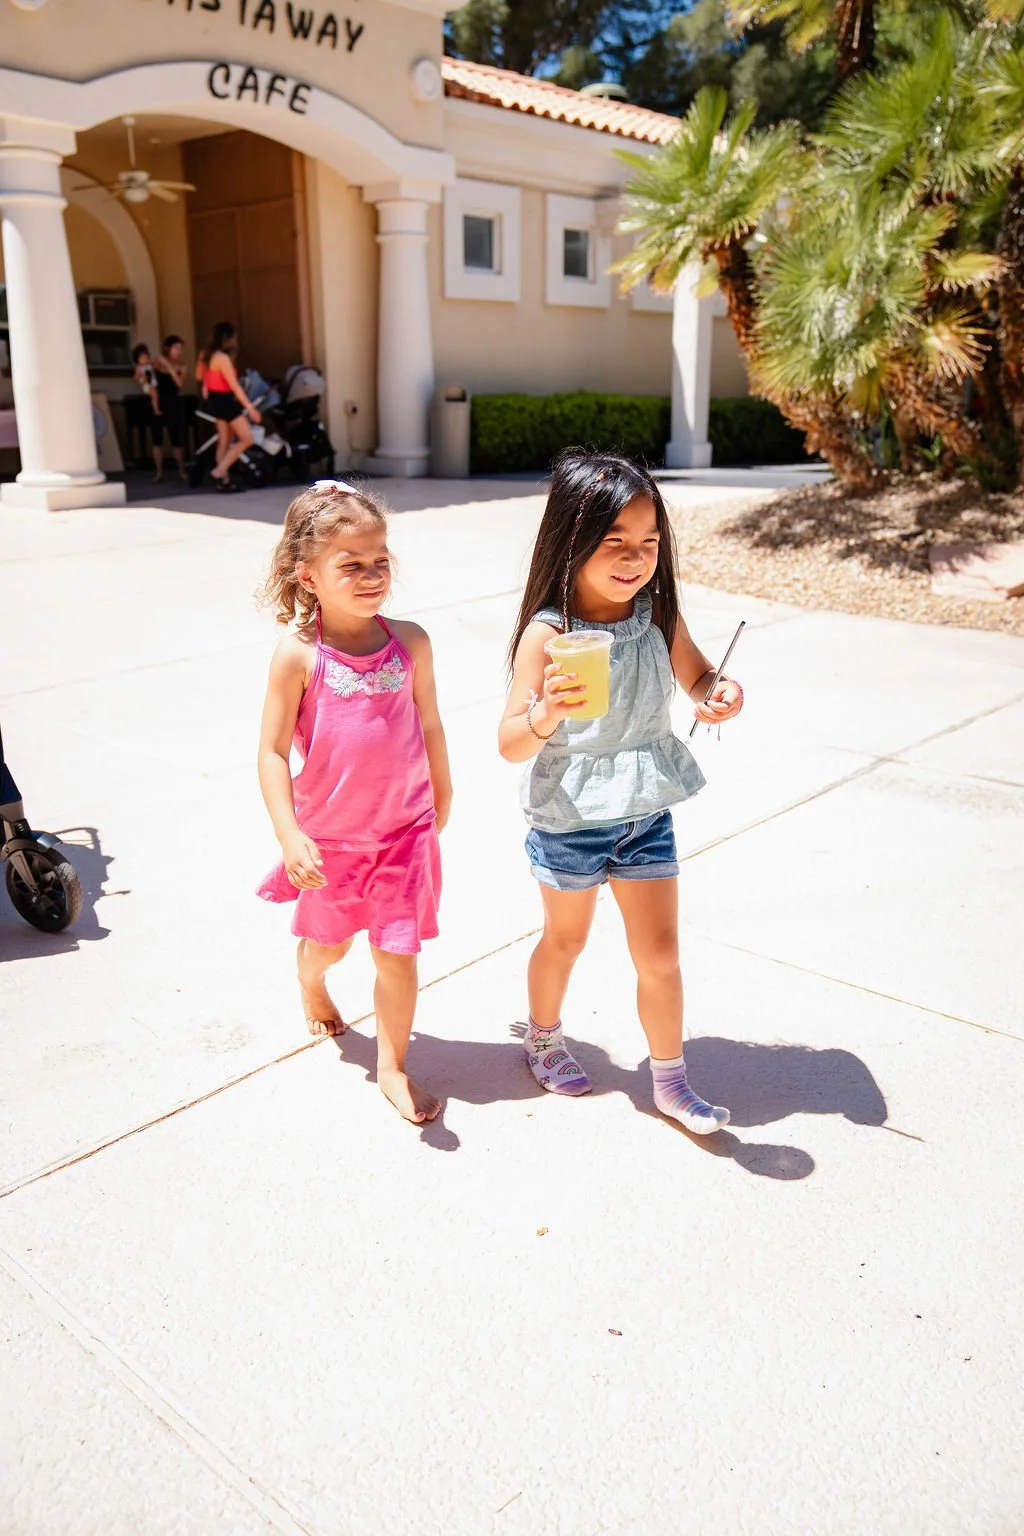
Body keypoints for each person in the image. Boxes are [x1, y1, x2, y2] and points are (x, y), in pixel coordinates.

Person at [498, 450, 744, 1134]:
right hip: (570, 816)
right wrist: (546, 712)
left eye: (649, 543)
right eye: (616, 544)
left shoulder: (656, 614)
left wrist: (719, 694)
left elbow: (698, 677)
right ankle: (542, 1035)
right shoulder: (550, 633)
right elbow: (510, 740)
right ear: (571, 543)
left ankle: (671, 1080)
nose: (636, 559)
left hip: (644, 811)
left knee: (660, 954)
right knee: (565, 941)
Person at [256, 479, 452, 1125]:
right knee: (330, 946)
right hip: (332, 842)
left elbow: (428, 724)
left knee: (398, 956)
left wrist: (442, 791)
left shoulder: (411, 642)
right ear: (307, 576)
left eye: (380, 562)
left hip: (404, 834)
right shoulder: (299, 657)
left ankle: (392, 1067)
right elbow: (273, 753)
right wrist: (290, 836)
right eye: (352, 565)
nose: (372, 575)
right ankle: (310, 982)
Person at [195, 321, 261, 493]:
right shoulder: (222, 358)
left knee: (224, 440)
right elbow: (235, 386)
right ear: (228, 338)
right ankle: (220, 470)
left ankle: (223, 480)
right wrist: (250, 408)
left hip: (214, 401)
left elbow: (199, 376)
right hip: (225, 401)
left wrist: (205, 387)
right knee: (246, 438)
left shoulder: (206, 355)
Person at [152, 335, 188, 484]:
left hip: (173, 403)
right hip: (158, 402)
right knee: (157, 439)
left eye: (181, 348)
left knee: (176, 438)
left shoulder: (182, 366)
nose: (179, 351)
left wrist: (171, 368)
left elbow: (180, 384)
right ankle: (159, 472)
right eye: (176, 348)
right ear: (168, 348)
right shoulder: (158, 363)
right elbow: (149, 378)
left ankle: (181, 470)